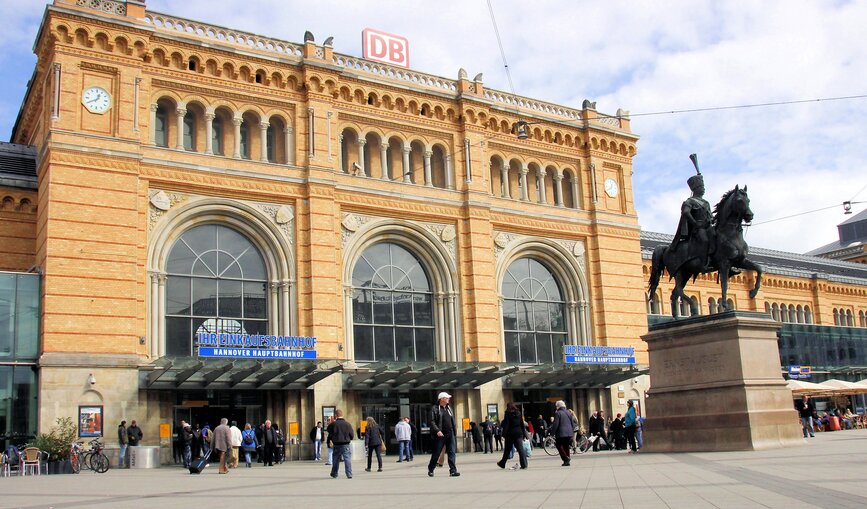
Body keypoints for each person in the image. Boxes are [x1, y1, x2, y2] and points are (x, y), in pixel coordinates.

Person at [670, 169, 715, 271]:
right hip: (697, 229)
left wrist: (712, 220)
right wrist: (695, 223)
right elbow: (686, 212)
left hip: (707, 227)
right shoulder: (689, 201)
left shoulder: (706, 202)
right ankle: (703, 265)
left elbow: (710, 216)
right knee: (704, 240)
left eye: (703, 187)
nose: (703, 189)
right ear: (695, 189)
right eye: (701, 187)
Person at [427, 392, 460, 477]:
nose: (448, 399)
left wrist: (454, 428)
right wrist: (437, 430)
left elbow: (452, 419)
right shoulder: (435, 408)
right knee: (436, 453)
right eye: (447, 398)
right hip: (440, 435)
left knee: (452, 452)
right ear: (441, 399)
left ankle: (453, 470)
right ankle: (431, 469)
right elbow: (432, 421)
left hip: (450, 433)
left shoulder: (449, 408)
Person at [497, 402, 528, 470]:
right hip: (519, 433)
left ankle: (502, 463)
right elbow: (522, 424)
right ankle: (524, 464)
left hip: (510, 434)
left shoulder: (508, 414)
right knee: (520, 449)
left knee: (507, 449)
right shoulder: (519, 413)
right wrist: (525, 434)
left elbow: (506, 425)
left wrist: (503, 435)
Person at [329, 409, 354, 479]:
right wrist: (349, 438)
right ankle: (349, 474)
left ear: (335, 415)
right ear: (342, 415)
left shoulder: (333, 424)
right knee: (347, 459)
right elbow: (352, 434)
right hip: (346, 443)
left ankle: (334, 473)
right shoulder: (347, 424)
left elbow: (329, 431)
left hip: (336, 444)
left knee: (336, 459)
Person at [549, 401, 574, 466]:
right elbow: (572, 423)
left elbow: (556, 424)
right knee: (566, 446)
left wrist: (552, 433)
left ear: (558, 406)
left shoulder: (558, 413)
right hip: (569, 432)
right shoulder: (568, 412)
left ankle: (565, 458)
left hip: (561, 433)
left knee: (559, 445)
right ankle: (567, 461)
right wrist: (572, 431)